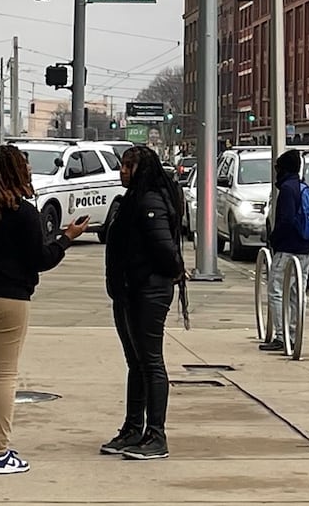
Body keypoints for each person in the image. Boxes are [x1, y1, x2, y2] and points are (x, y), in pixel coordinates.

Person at [0, 145, 87, 475]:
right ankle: (0, 453)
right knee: (5, 375)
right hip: (11, 299)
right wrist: (66, 238)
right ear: (16, 172)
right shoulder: (24, 213)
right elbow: (40, 260)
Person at [100, 145, 184, 461]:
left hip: (148, 291)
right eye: (121, 165)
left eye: (128, 166)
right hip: (127, 291)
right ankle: (133, 428)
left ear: (141, 170)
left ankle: (156, 435)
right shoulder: (130, 201)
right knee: (136, 362)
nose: (122, 171)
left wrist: (172, 272)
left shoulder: (150, 201)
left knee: (150, 362)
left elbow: (164, 248)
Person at [261, 148, 309, 353]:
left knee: (276, 290)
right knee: (297, 292)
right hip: (306, 246)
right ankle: (294, 334)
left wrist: (274, 240)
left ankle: (281, 336)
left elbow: (285, 220)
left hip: (288, 248)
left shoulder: (286, 190)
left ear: (282, 169)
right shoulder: (304, 188)